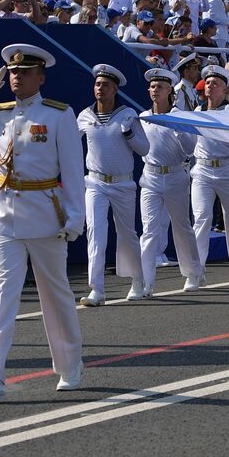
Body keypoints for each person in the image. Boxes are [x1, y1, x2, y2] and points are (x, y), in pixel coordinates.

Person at [0, 44, 86, 405]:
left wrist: (75, 217)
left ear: (41, 77)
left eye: (24, 72)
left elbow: (72, 170)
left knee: (56, 295)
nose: (16, 78)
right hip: (5, 217)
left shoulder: (58, 115)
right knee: (1, 297)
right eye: (11, 72)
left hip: (46, 217)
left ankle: (70, 366)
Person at [76, 64, 149, 306]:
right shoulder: (84, 115)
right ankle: (97, 289)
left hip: (123, 185)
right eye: (97, 84)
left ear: (115, 89)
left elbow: (145, 148)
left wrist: (129, 134)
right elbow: (69, 143)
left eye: (105, 85)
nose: (100, 89)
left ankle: (137, 280)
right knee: (96, 233)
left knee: (127, 233)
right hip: (95, 183)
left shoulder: (128, 114)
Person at [137, 68, 205, 293]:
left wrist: (177, 129)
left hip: (176, 176)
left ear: (169, 91)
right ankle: (144, 281)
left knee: (182, 226)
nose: (155, 90)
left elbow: (189, 150)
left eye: (160, 87)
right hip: (150, 177)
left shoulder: (180, 117)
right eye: (152, 87)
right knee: (149, 230)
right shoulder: (143, 117)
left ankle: (193, 273)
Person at [190, 64, 229, 284]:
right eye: (208, 82)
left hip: (226, 168)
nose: (210, 86)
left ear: (225, 90)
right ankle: (196, 270)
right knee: (201, 218)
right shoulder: (197, 112)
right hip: (203, 170)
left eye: (215, 83)